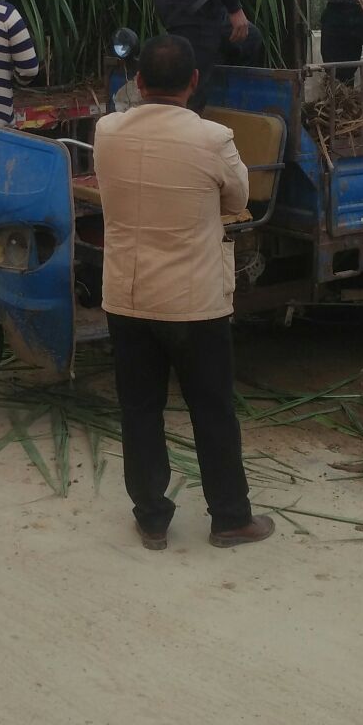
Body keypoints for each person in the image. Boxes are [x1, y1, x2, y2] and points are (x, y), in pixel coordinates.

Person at [93, 33, 275, 552]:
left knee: (140, 410)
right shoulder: (214, 139)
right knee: (212, 409)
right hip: (194, 303)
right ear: (195, 82)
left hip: (127, 299)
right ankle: (231, 519)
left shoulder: (107, 132)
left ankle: (152, 519)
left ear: (140, 82)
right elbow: (238, 195)